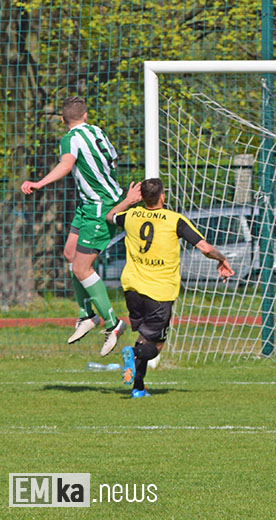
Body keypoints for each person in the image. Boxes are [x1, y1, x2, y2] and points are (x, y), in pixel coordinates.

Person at [106, 178, 234, 398]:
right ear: (162, 196)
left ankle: (138, 388)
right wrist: (221, 259)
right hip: (160, 292)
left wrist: (128, 201)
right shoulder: (174, 220)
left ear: (142, 197)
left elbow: (109, 216)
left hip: (132, 288)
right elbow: (204, 248)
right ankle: (132, 353)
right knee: (154, 347)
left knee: (144, 337)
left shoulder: (132, 216)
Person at [21, 96, 127, 355]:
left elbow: (67, 164)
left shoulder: (69, 139)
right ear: (86, 115)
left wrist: (39, 183)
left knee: (82, 267)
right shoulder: (97, 131)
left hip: (99, 207)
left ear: (62, 120)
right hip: (88, 204)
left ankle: (113, 323)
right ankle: (87, 316)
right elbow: (112, 160)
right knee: (70, 253)